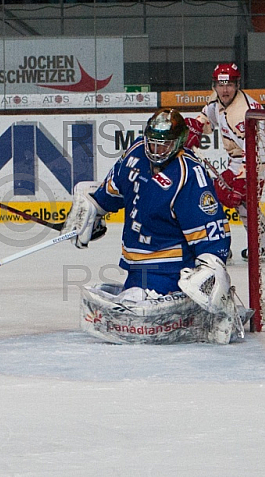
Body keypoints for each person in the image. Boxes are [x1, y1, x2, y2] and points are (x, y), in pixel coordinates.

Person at [64, 108, 243, 345]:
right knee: (128, 301)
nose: (156, 150)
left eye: (164, 145)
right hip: (135, 267)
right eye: (153, 143)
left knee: (131, 306)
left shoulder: (188, 174)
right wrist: (94, 209)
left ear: (178, 143)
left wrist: (210, 264)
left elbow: (211, 227)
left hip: (170, 271)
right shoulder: (135, 153)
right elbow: (113, 189)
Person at [184, 63, 265, 262]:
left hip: (259, 162)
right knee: (218, 198)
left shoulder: (244, 113)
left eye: (229, 85)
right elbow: (206, 114)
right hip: (239, 159)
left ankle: (256, 245)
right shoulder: (216, 99)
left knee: (243, 203)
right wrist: (197, 126)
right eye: (220, 84)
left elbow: (256, 151)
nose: (224, 89)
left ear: (237, 85)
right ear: (214, 86)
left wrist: (241, 180)